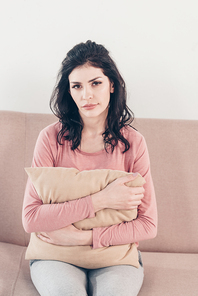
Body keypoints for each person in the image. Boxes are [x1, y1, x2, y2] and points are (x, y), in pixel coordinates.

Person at [22, 40, 157, 296]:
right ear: (69, 91)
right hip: (55, 255)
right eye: (77, 86)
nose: (87, 95)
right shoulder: (50, 138)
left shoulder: (133, 143)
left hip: (114, 258)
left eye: (96, 83)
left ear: (112, 85)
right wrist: (100, 200)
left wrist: (85, 238)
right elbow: (30, 219)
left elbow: (148, 224)